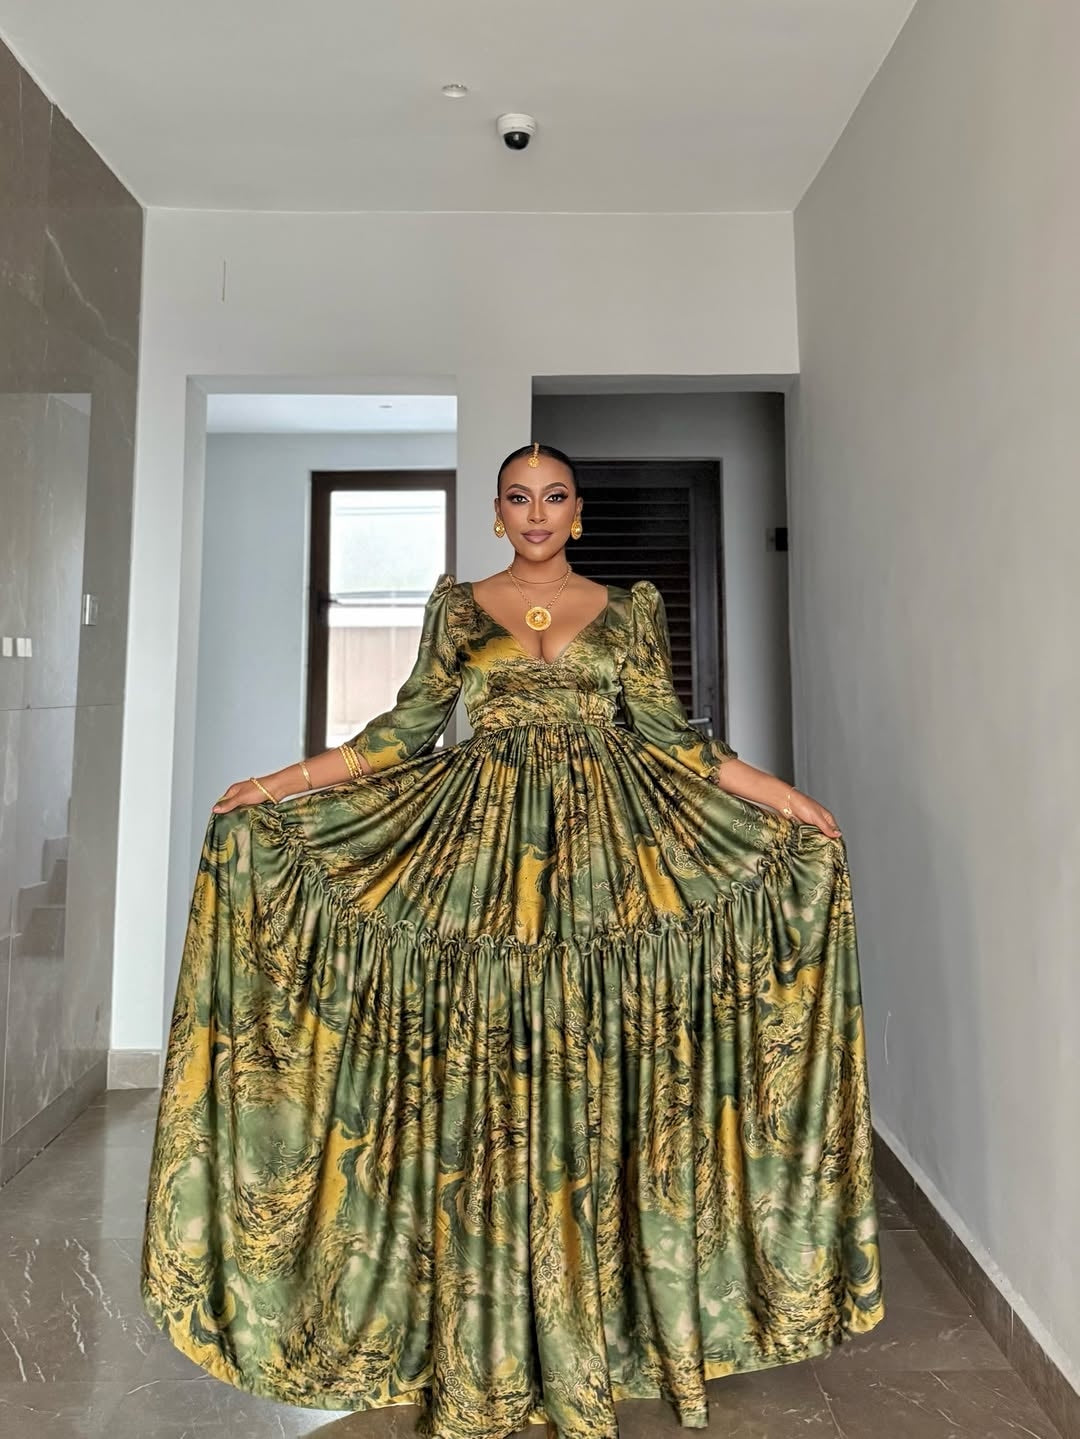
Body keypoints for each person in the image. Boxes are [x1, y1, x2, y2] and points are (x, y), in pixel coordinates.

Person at [141, 442, 884, 1439]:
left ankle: (594, 1328)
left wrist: (783, 796)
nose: (537, 513)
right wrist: (281, 786)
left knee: (594, 1068)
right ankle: (487, 1336)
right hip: (481, 860)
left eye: (556, 497)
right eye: (519, 498)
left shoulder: (627, 610)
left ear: (578, 513)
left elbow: (674, 739)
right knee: (488, 1083)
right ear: (497, 513)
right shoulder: (456, 609)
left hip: (608, 866)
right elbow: (401, 735)